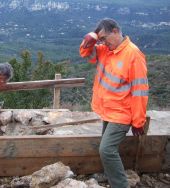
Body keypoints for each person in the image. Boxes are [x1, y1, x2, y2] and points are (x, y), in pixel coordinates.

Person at [79, 18, 149, 188]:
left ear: (116, 31)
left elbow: (140, 91)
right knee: (107, 149)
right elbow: (85, 54)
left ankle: (120, 185)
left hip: (121, 113)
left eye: (104, 38)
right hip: (108, 110)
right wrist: (89, 40)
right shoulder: (106, 49)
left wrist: (138, 121)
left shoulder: (133, 55)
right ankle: (112, 180)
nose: (102, 42)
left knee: (106, 150)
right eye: (100, 39)